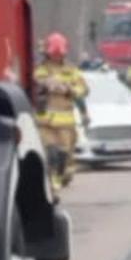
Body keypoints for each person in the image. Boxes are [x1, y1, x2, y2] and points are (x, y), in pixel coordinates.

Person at [33, 33, 88, 194]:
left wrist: (70, 90)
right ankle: (52, 184)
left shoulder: (71, 70)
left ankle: (62, 177)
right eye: (53, 54)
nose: (56, 57)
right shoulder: (40, 69)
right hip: (45, 122)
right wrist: (46, 85)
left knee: (64, 155)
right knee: (50, 153)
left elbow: (83, 89)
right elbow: (36, 82)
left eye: (59, 54)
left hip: (66, 123)